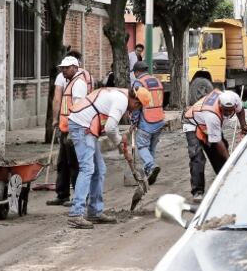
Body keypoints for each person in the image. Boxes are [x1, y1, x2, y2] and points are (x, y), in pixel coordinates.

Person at [66, 86, 151, 229]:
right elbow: (110, 128)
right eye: (138, 108)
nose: (136, 110)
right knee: (87, 168)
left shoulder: (121, 96)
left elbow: (112, 127)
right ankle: (76, 213)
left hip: (86, 126)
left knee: (99, 169)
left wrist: (121, 145)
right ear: (136, 103)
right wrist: (120, 143)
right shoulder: (122, 101)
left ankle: (94, 211)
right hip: (81, 126)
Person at [183, 89, 247, 202]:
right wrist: (230, 160)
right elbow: (217, 142)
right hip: (193, 124)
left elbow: (240, 110)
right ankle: (198, 192)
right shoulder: (212, 114)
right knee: (197, 157)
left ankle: (226, 181)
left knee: (219, 155)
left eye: (230, 110)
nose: (227, 113)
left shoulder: (234, 99)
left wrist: (243, 125)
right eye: (225, 110)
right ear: (219, 105)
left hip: (208, 126)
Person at [48, 54, 93, 206]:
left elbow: (78, 108)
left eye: (66, 68)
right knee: (63, 162)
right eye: (62, 68)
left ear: (75, 67)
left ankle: (79, 197)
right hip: (66, 128)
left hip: (74, 130)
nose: (63, 71)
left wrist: (75, 131)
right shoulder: (70, 81)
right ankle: (62, 194)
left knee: (75, 164)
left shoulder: (78, 83)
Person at [130, 61, 165, 185]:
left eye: (134, 72)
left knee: (142, 146)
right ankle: (149, 171)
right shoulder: (157, 81)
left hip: (146, 120)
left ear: (137, 72)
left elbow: (136, 104)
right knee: (151, 147)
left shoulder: (139, 83)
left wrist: (134, 121)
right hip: (159, 119)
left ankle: (151, 165)